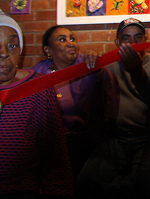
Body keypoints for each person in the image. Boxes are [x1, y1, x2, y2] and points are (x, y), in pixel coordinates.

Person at [78, 18, 150, 199]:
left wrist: (138, 70)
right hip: (117, 139)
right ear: (117, 43)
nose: (132, 44)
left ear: (145, 40)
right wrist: (92, 63)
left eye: (138, 37)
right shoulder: (109, 66)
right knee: (87, 180)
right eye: (126, 38)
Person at [0, 12, 73, 198]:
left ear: (20, 51)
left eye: (12, 45)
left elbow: (56, 158)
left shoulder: (38, 89)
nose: (3, 54)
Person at [32, 26, 117, 185]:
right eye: (62, 40)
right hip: (47, 144)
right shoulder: (37, 74)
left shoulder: (87, 66)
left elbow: (107, 94)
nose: (71, 43)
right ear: (48, 49)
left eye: (72, 38)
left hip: (82, 143)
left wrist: (97, 68)